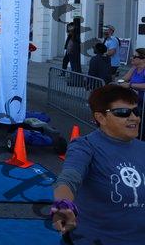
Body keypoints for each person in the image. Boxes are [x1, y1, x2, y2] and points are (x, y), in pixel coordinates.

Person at [51, 85, 144, 244]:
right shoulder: (85, 146)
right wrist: (63, 205)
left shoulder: (142, 148)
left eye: (136, 111)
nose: (134, 118)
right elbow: (69, 178)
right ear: (101, 118)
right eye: (123, 112)